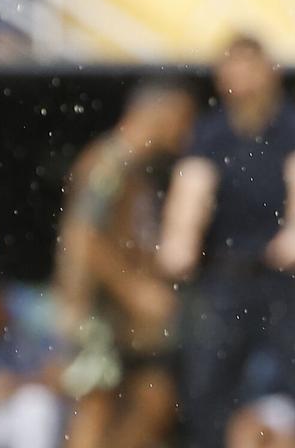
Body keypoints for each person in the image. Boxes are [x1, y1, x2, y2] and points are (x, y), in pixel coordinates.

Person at [158, 34, 295, 448]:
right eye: (231, 66)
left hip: (283, 277)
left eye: (248, 65)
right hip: (226, 274)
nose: (240, 77)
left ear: (270, 71)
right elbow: (192, 191)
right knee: (207, 388)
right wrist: (178, 241)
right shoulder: (210, 131)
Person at [53, 80, 197, 448]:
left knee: (153, 401)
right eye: (183, 120)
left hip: (127, 322)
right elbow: (81, 238)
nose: (186, 132)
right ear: (161, 113)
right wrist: (135, 291)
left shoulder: (138, 168)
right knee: (96, 408)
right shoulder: (107, 162)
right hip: (97, 315)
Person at [0, 270, 65, 448]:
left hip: (44, 410)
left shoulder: (33, 314)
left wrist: (12, 384)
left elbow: (60, 375)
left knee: (34, 405)